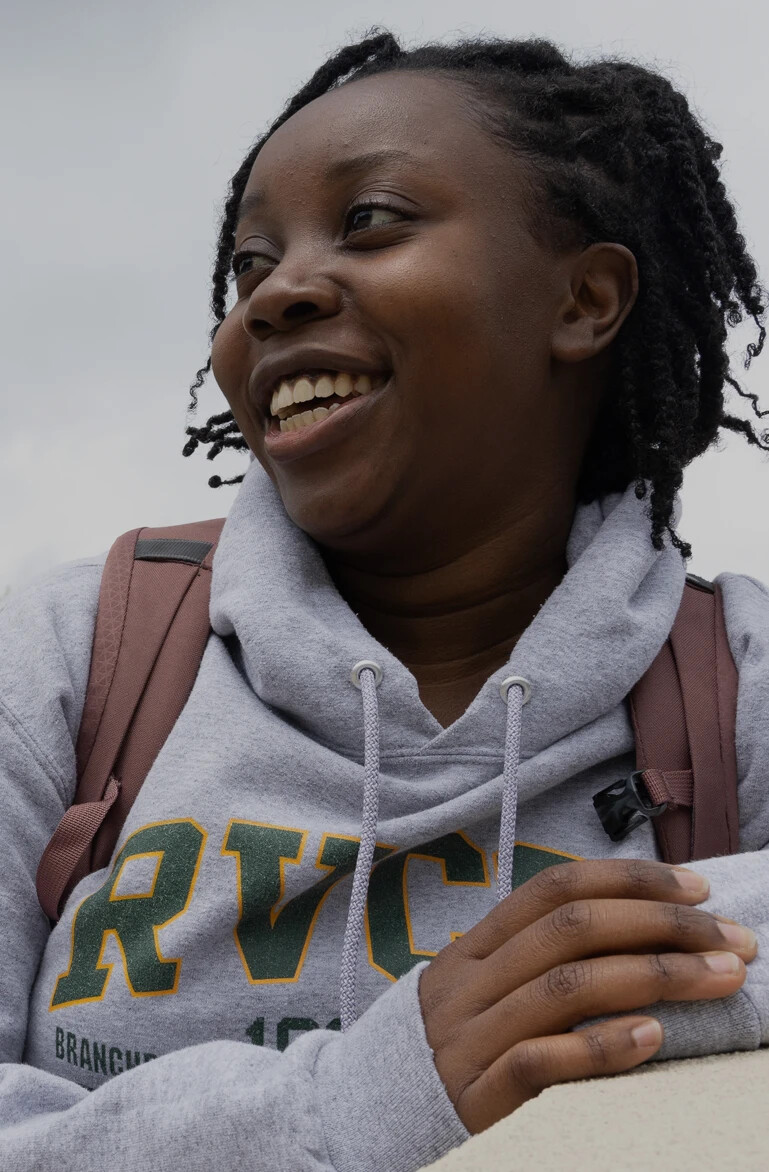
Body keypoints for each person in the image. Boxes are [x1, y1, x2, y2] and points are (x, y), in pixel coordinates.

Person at [1, 27, 767, 1172]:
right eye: (249, 267)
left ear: (584, 299)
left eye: (369, 222)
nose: (272, 297)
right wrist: (358, 1099)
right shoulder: (78, 656)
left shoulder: (731, 677)